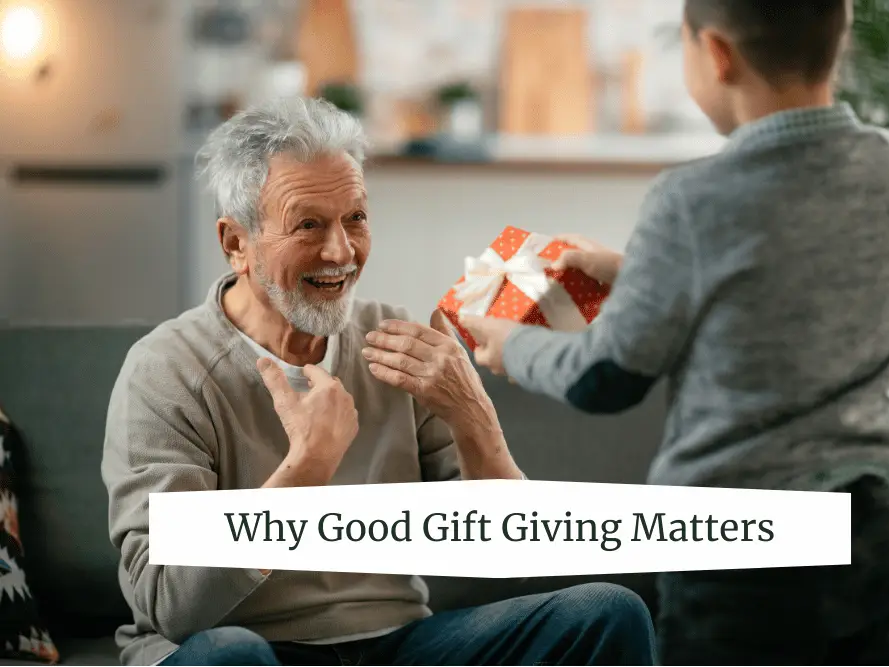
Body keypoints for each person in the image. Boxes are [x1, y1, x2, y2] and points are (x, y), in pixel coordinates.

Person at [100, 97, 657, 666]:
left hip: (395, 644)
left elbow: (512, 551)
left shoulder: (397, 342)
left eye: (356, 218)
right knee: (231, 657)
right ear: (236, 243)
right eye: (308, 224)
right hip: (245, 645)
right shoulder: (167, 370)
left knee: (607, 610)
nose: (341, 251)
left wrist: (474, 416)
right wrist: (305, 470)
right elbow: (170, 605)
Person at [460, 0, 889, 664]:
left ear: (715, 54)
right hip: (870, 533)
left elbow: (607, 375)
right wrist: (637, 273)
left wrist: (515, 348)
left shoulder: (692, 198)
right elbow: (792, 284)